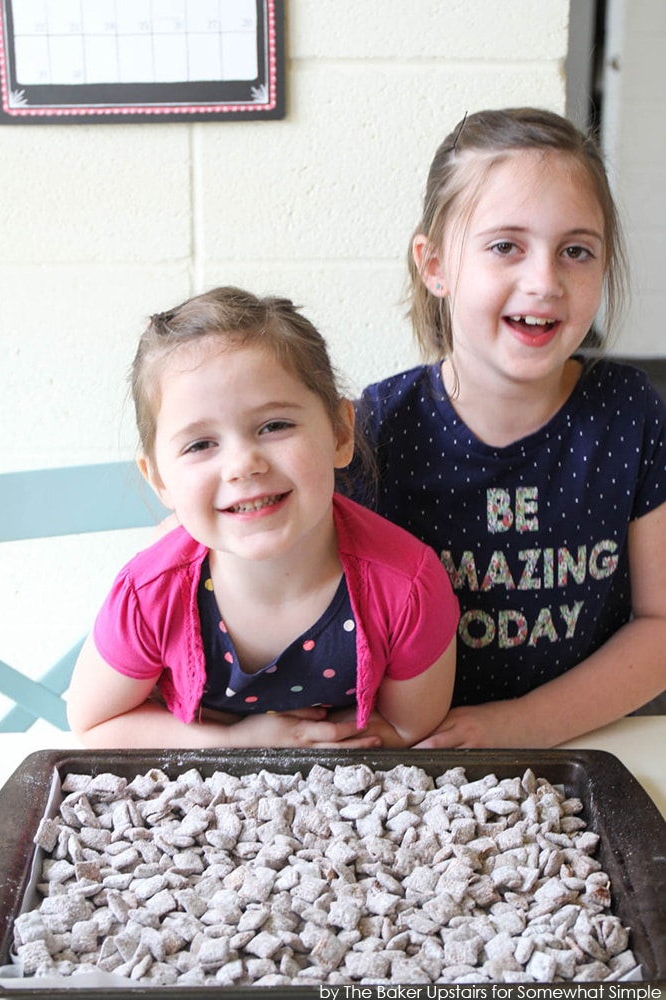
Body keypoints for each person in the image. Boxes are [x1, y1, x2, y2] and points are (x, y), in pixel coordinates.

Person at [356, 107, 666, 748]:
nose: (545, 281)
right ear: (434, 264)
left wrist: (523, 724)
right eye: (506, 246)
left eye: (576, 251)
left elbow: (661, 623)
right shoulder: (375, 430)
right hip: (423, 765)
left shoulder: (632, 414)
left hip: (600, 742)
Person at [67, 287, 458, 748]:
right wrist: (236, 744)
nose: (243, 465)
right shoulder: (149, 595)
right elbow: (93, 725)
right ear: (160, 481)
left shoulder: (407, 588)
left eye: (274, 426)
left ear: (339, 433)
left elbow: (409, 727)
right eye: (200, 445)